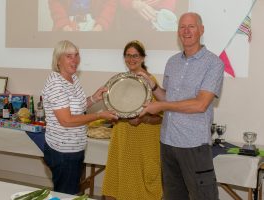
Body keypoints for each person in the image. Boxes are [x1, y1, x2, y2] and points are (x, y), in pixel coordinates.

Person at [139, 12, 224, 200]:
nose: (186, 31)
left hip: (193, 144)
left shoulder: (214, 63)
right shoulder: (172, 62)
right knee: (172, 197)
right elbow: (169, 98)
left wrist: (161, 105)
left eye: (191, 26)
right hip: (168, 143)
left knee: (204, 197)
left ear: (201, 30)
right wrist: (152, 85)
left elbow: (200, 104)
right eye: (182, 27)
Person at [42, 40, 117, 194]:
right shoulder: (56, 83)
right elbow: (67, 120)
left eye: (76, 55)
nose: (75, 60)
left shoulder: (73, 79)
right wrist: (98, 115)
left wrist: (94, 98)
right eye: (69, 56)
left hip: (75, 148)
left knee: (68, 193)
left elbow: (78, 107)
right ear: (58, 60)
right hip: (63, 152)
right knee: (65, 195)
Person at [102, 40, 163, 200]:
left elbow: (161, 117)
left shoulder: (151, 82)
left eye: (135, 55)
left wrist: (143, 120)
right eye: (128, 56)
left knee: (143, 184)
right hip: (122, 137)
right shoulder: (120, 81)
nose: (131, 59)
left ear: (143, 58)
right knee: (119, 178)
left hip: (144, 141)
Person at [48, 0, 117, 31]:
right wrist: (64, 25)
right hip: (67, 25)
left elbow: (110, 4)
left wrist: (101, 25)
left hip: (96, 25)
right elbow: (55, 3)